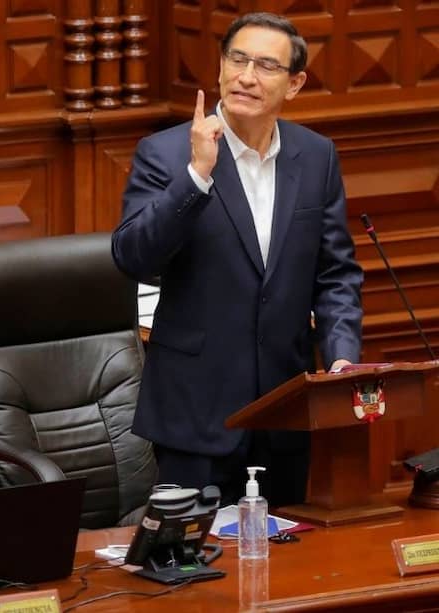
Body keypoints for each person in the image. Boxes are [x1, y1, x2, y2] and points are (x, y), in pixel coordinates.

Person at [111, 12, 362, 506]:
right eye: (238, 59)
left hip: (286, 412)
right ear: (221, 67)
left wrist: (341, 357)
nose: (247, 76)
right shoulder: (165, 154)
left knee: (287, 566)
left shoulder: (315, 157)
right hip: (195, 416)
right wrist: (197, 176)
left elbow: (336, 274)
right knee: (190, 571)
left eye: (267, 65)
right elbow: (133, 257)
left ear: (295, 84)